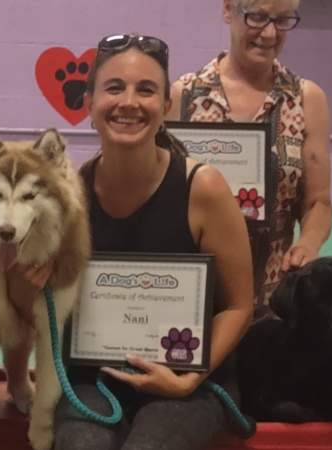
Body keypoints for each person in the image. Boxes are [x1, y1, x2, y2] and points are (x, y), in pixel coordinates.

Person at [54, 33, 260, 450]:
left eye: (146, 90)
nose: (129, 102)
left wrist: (188, 380)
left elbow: (239, 306)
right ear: (88, 104)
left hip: (190, 379)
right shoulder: (68, 193)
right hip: (96, 376)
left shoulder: (203, 187)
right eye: (114, 88)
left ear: (165, 107)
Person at [171, 0, 332, 312]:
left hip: (273, 301)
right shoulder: (183, 95)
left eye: (283, 20)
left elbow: (318, 202)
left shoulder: (307, 99)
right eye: (257, 17)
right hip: (193, 301)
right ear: (228, 10)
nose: (270, 33)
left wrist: (308, 243)